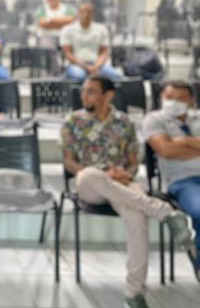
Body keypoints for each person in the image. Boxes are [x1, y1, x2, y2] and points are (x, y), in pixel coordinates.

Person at [61, 75, 194, 308]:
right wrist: (103, 174)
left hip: (122, 183)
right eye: (83, 91)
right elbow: (69, 162)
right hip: (89, 183)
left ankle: (134, 293)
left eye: (91, 91)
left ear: (108, 95)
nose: (84, 96)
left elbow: (133, 163)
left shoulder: (124, 122)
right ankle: (164, 211)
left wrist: (125, 173)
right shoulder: (73, 121)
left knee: (136, 217)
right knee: (91, 175)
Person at [142, 80, 200, 281]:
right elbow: (166, 150)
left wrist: (183, 142)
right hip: (184, 181)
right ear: (161, 98)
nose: (174, 102)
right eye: (169, 97)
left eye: (181, 98)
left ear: (191, 101)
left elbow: (174, 148)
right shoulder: (154, 120)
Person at [60, 3, 121, 82]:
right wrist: (87, 67)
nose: (85, 15)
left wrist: (95, 67)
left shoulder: (101, 29)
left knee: (116, 76)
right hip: (76, 65)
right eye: (82, 12)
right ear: (78, 13)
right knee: (80, 76)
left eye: (88, 12)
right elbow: (68, 53)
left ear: (92, 14)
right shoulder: (67, 30)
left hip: (97, 64)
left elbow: (104, 52)